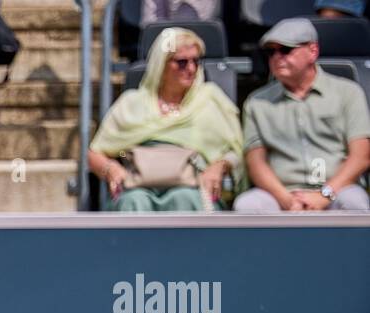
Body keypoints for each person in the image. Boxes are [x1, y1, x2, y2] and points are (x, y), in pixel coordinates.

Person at [88, 28, 242, 211]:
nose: (192, 69)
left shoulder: (211, 99)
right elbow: (95, 153)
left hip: (192, 184)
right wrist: (111, 168)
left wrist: (219, 166)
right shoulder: (132, 102)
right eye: (182, 62)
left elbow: (236, 150)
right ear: (160, 64)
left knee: (183, 199)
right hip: (138, 185)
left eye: (196, 61)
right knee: (133, 202)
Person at [234, 18, 370, 212]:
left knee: (354, 202)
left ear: (313, 51)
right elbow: (255, 162)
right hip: (280, 194)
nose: (277, 57)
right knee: (248, 205)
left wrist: (324, 194)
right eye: (271, 52)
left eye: (286, 50)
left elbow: (361, 156)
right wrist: (286, 199)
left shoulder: (348, 93)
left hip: (338, 190)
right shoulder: (257, 102)